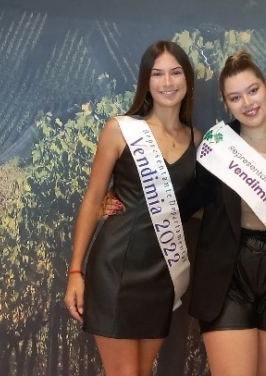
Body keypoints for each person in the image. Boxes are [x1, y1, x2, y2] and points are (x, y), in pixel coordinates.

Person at [64, 40, 202, 376]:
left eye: (175, 73)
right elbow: (92, 200)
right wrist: (75, 272)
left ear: (187, 80)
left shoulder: (197, 140)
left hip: (162, 274)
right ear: (146, 82)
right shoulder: (120, 130)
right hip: (116, 267)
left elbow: (194, 208)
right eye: (157, 74)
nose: (167, 82)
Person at [188, 51, 266, 376]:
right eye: (235, 97)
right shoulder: (218, 147)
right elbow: (189, 202)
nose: (247, 103)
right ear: (226, 104)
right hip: (228, 276)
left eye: (253, 90)